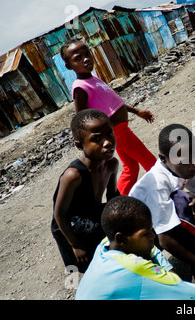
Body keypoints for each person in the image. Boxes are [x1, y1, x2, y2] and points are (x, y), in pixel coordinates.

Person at [129, 124, 195, 294]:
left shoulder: (185, 165)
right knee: (181, 200)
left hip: (160, 229)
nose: (192, 165)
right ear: (163, 159)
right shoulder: (156, 184)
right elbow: (164, 239)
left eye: (194, 156)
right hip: (139, 246)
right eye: (183, 160)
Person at [60, 36, 157, 195]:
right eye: (78, 58)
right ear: (69, 66)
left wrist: (137, 111)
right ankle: (171, 194)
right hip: (118, 132)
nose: (85, 59)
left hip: (119, 130)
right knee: (151, 163)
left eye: (87, 54)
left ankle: (118, 202)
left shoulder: (93, 78)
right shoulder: (80, 87)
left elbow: (114, 103)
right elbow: (82, 118)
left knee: (131, 168)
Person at [75, 196, 195, 300]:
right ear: (121, 239)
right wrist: (169, 274)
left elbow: (152, 250)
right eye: (145, 234)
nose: (154, 236)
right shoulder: (134, 267)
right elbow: (194, 294)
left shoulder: (104, 246)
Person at [51, 109, 120, 273]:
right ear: (79, 145)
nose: (107, 142)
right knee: (82, 266)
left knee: (109, 258)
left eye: (109, 134)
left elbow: (112, 197)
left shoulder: (111, 164)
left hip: (93, 214)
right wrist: (75, 244)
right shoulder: (73, 176)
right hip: (70, 227)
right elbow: (59, 214)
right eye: (96, 139)